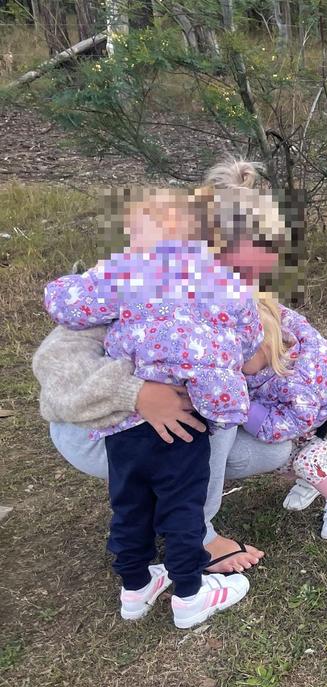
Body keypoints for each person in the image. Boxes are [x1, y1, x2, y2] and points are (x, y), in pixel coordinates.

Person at [34, 159, 293, 575]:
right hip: (92, 425)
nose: (264, 265)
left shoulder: (241, 296)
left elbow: (270, 360)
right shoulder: (135, 279)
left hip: (173, 431)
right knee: (211, 414)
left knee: (271, 446)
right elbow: (56, 365)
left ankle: (166, 500)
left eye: (270, 250)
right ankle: (198, 536)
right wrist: (135, 393)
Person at [243, 294, 327, 539]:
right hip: (306, 433)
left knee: (306, 462)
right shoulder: (271, 336)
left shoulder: (297, 380)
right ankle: (311, 482)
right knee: (281, 461)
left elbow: (291, 422)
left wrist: (246, 410)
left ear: (264, 348)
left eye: (240, 357)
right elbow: (275, 310)